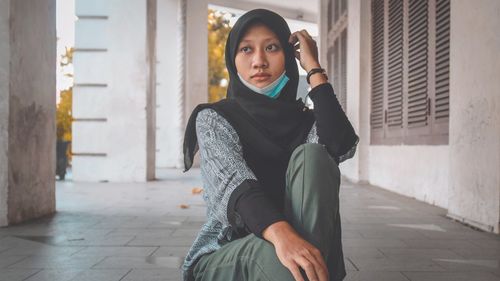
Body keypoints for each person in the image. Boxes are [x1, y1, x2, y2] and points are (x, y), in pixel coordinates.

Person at [182, 8, 359, 281]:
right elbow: (237, 186)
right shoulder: (215, 119)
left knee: (314, 156)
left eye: (272, 48)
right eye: (246, 50)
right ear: (233, 58)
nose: (259, 61)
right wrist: (284, 238)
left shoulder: (308, 122)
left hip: (300, 250)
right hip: (229, 250)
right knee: (287, 264)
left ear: (289, 57)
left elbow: (340, 145)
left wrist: (314, 68)